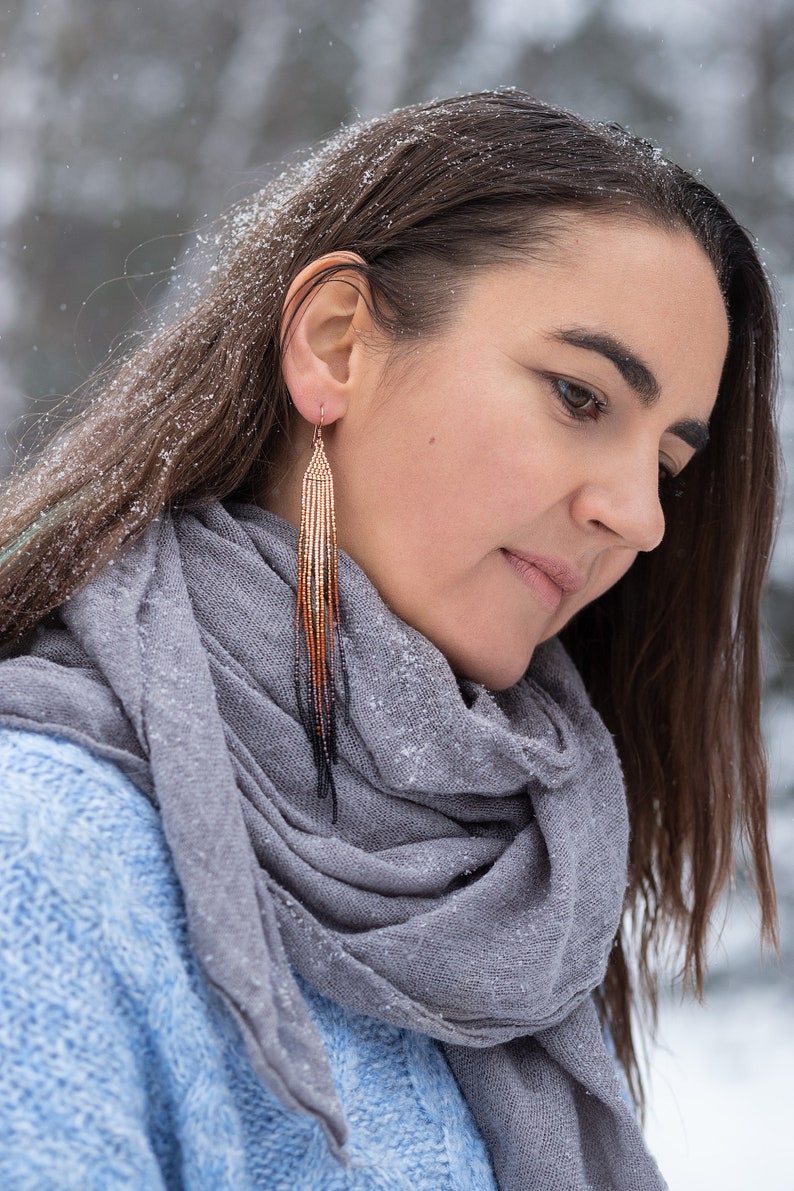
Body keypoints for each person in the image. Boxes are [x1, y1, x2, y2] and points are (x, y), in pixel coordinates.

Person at [0, 89, 779, 1190]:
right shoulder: (41, 852)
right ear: (334, 345)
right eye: (578, 395)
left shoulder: (512, 892)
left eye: (664, 466)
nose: (641, 519)